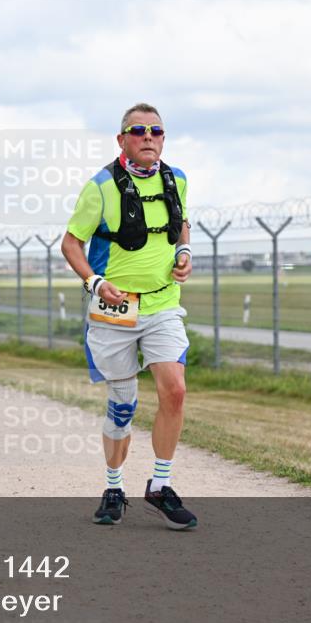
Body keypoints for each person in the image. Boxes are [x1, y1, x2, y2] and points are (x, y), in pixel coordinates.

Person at [61, 103, 196, 530]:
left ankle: (160, 484)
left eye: (156, 131)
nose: (148, 137)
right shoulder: (100, 187)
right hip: (114, 310)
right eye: (138, 131)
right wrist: (94, 282)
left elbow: (181, 222)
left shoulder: (177, 179)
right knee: (122, 408)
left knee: (175, 390)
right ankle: (114, 487)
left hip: (162, 304)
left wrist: (184, 252)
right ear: (122, 140)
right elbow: (70, 243)